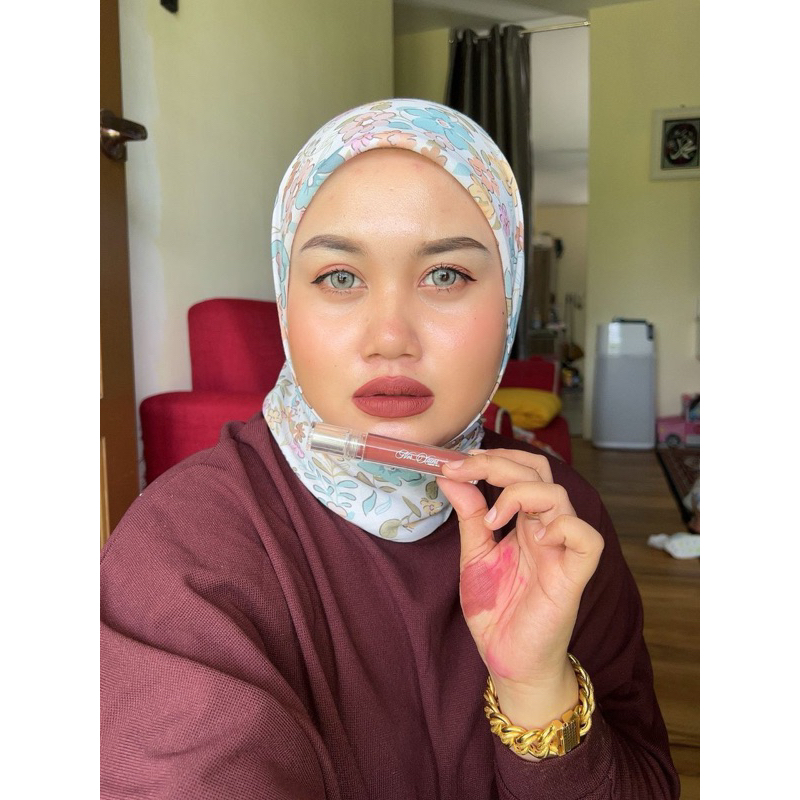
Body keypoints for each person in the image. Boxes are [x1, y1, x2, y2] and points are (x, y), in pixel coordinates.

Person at [101, 99, 679, 799]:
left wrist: (537, 689)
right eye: (340, 278)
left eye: (446, 275)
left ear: (509, 301)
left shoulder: (557, 518)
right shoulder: (184, 547)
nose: (390, 337)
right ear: (287, 304)